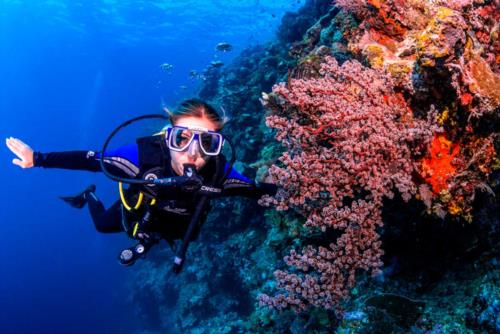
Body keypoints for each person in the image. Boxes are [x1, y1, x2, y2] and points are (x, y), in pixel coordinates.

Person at [6, 99, 277, 270]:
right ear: (167, 137)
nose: (192, 153)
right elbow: (90, 159)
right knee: (102, 225)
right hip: (139, 211)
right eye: (181, 139)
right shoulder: (143, 158)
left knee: (175, 234)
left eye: (207, 143)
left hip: (175, 226)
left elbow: (255, 191)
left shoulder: (220, 174)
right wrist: (37, 158)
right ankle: (88, 195)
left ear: (218, 146)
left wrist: (287, 188)